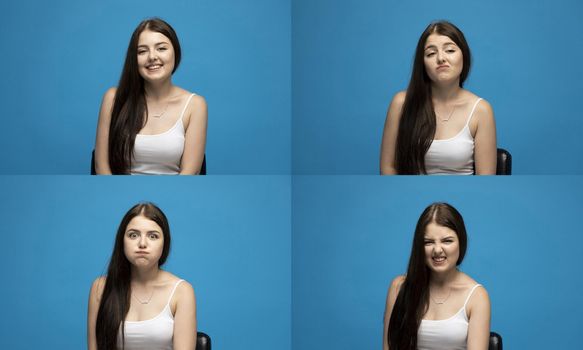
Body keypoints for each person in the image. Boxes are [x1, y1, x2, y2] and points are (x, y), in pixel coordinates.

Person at [380, 21, 496, 175]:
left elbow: (485, 178)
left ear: (464, 55)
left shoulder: (481, 110)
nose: (441, 58)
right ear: (422, 63)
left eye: (449, 50)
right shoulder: (401, 103)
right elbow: (389, 168)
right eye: (431, 53)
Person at [95, 18, 207, 175]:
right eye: (142, 51)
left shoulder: (195, 104)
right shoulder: (113, 98)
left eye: (161, 48)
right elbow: (101, 167)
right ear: (134, 59)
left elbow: (191, 171)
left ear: (175, 51)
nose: (152, 57)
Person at [87, 203, 197, 350]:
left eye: (153, 236)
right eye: (133, 235)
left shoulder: (182, 291)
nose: (142, 243)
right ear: (122, 241)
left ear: (165, 243)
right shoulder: (100, 288)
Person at [383, 203, 490, 350]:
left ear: (461, 242)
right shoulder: (399, 287)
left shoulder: (477, 296)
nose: (437, 250)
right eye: (428, 242)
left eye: (447, 241)